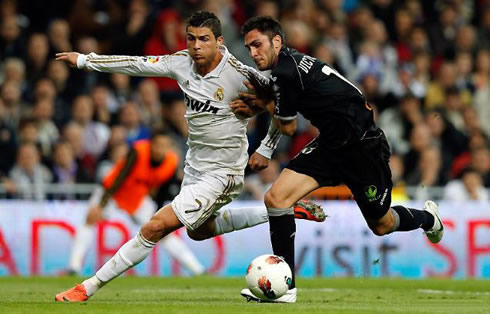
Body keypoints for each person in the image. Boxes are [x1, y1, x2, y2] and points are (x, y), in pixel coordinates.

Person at [54, 11, 325, 302]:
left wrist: (266, 148)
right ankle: (282, 211)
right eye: (191, 38)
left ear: (219, 42)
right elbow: (136, 64)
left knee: (155, 226)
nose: (196, 46)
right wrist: (85, 60)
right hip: (194, 167)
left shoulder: (242, 75)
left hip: (224, 172)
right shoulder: (181, 62)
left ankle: (88, 287)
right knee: (199, 231)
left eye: (204, 39)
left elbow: (283, 109)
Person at [237, 16, 444, 303]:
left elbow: (288, 126)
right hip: (331, 146)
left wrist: (266, 108)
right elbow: (285, 111)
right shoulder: (287, 66)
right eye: (249, 48)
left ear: (277, 41)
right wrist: (267, 123)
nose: (253, 53)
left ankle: (428, 219)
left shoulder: (285, 72)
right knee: (276, 199)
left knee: (381, 225)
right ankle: (286, 287)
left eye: (257, 45)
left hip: (363, 149)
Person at [65, 131, 205, 276]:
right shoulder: (138, 151)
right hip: (113, 191)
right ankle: (74, 266)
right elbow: (120, 176)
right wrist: (102, 204)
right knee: (91, 218)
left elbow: (163, 190)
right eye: (157, 145)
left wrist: (157, 211)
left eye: (164, 146)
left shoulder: (171, 162)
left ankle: (197, 269)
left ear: (169, 147)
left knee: (162, 229)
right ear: (151, 145)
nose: (160, 149)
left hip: (137, 197)